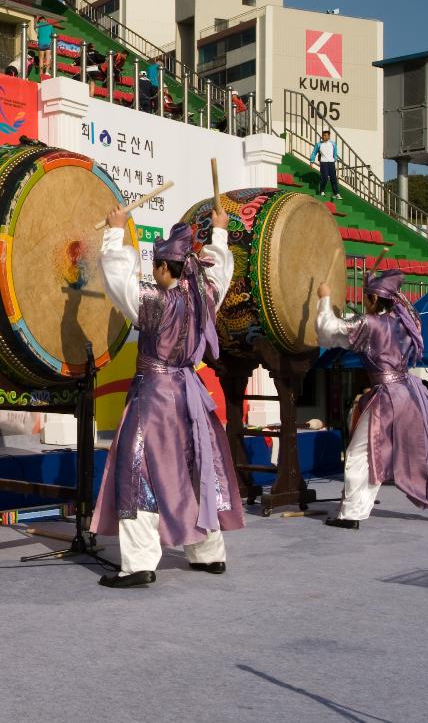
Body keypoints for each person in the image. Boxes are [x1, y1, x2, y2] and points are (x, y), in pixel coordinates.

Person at [90, 209, 246, 588]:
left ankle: (140, 563)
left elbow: (118, 280)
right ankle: (209, 554)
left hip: (156, 398)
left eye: (155, 266)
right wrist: (220, 233)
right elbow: (220, 273)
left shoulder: (155, 300)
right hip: (189, 393)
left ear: (163, 268)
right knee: (195, 469)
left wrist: (114, 234)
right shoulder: (203, 297)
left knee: (138, 471)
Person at [315, 269, 428, 529]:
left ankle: (351, 514)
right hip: (412, 394)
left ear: (373, 299)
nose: (364, 303)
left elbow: (329, 332)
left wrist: (324, 299)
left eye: (366, 298)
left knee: (361, 453)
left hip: (387, 395)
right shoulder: (407, 322)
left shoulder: (369, 323)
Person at [311, 129, 342, 199]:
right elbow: (314, 153)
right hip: (323, 163)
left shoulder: (333, 143)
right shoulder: (319, 144)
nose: (324, 137)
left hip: (331, 163)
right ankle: (322, 191)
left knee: (333, 178)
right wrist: (311, 161)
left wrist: (335, 159)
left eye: (325, 135)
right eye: (323, 135)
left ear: (329, 136)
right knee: (324, 178)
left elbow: (335, 153)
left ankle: (336, 193)